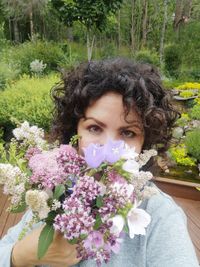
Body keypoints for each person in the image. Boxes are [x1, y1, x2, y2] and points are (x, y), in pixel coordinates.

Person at [0, 58, 199, 267]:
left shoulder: (160, 216)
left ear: (145, 143)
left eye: (128, 132)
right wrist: (20, 255)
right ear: (74, 130)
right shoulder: (53, 192)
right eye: (95, 128)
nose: (107, 149)